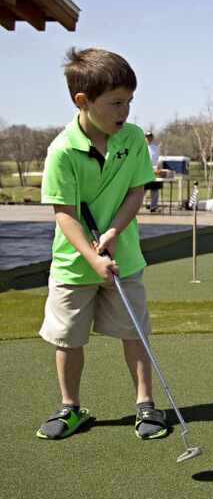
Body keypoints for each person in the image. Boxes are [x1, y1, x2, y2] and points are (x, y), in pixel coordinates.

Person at [36, 48, 170, 441]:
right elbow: (64, 213)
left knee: (135, 333)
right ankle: (71, 408)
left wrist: (112, 232)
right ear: (83, 102)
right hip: (73, 264)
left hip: (124, 258)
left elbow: (136, 191)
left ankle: (146, 405)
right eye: (115, 103)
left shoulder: (131, 138)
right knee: (68, 338)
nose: (124, 111)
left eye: (129, 101)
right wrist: (92, 259)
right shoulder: (62, 151)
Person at [143, 131, 162, 212]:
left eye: (150, 137)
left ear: (152, 138)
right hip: (144, 171)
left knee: (154, 190)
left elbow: (158, 159)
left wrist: (158, 166)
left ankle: (153, 207)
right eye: (147, 137)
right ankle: (135, 207)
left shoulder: (156, 147)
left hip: (154, 171)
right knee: (141, 190)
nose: (149, 138)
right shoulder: (142, 147)